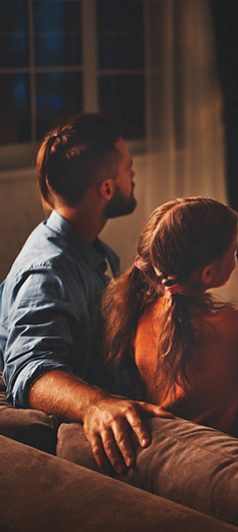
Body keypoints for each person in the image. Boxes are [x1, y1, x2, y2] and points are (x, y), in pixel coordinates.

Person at [0, 113, 172, 474]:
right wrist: (95, 404)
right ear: (107, 189)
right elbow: (30, 370)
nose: (134, 175)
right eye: (129, 167)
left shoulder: (88, 250)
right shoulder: (47, 270)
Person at [102, 197, 238, 435]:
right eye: (234, 250)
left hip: (166, 440)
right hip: (217, 446)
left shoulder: (140, 316)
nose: (236, 256)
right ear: (208, 273)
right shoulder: (237, 326)